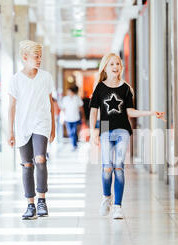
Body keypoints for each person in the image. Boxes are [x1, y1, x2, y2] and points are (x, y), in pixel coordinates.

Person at [89, 53, 165, 219]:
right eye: (111, 64)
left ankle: (117, 206)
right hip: (105, 126)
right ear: (105, 68)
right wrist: (93, 131)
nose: (115, 66)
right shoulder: (99, 88)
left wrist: (151, 113)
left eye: (118, 63)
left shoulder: (126, 88)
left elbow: (130, 112)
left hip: (123, 128)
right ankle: (106, 197)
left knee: (118, 166)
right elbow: (94, 111)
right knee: (107, 167)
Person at [8, 40, 55, 220]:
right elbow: (11, 106)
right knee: (27, 164)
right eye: (36, 56)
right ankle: (30, 205)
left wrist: (53, 126)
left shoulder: (46, 77)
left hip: (41, 124)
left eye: (40, 56)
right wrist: (10, 131)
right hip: (22, 126)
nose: (39, 60)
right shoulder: (15, 80)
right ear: (24, 57)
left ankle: (42, 200)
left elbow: (51, 102)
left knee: (40, 159)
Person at [60, 85, 85, 150]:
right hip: (68, 119)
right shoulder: (65, 99)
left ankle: (74, 145)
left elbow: (81, 108)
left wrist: (83, 117)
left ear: (73, 92)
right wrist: (63, 117)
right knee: (70, 133)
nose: (69, 93)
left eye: (70, 92)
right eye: (68, 92)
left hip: (75, 118)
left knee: (74, 132)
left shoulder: (77, 98)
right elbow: (63, 109)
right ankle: (75, 143)